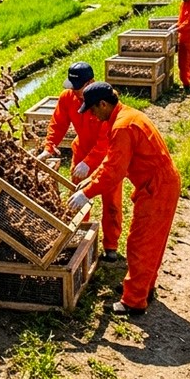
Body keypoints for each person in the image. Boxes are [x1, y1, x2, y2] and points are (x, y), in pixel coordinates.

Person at [67, 82, 181, 316]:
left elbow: (114, 172)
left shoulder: (122, 127)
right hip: (158, 184)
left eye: (93, 109)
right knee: (150, 242)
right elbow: (111, 160)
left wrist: (87, 193)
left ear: (103, 104)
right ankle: (143, 287)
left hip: (157, 188)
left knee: (141, 243)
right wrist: (89, 182)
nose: (92, 115)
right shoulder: (124, 116)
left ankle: (134, 301)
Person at [42, 62, 123, 261]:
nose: (74, 91)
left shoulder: (103, 102)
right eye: (72, 87)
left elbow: (106, 140)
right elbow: (58, 123)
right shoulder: (68, 97)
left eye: (77, 87)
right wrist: (49, 147)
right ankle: (77, 234)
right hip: (81, 153)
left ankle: (111, 246)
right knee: (77, 197)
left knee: (111, 202)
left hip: (106, 157)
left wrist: (90, 162)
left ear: (90, 82)